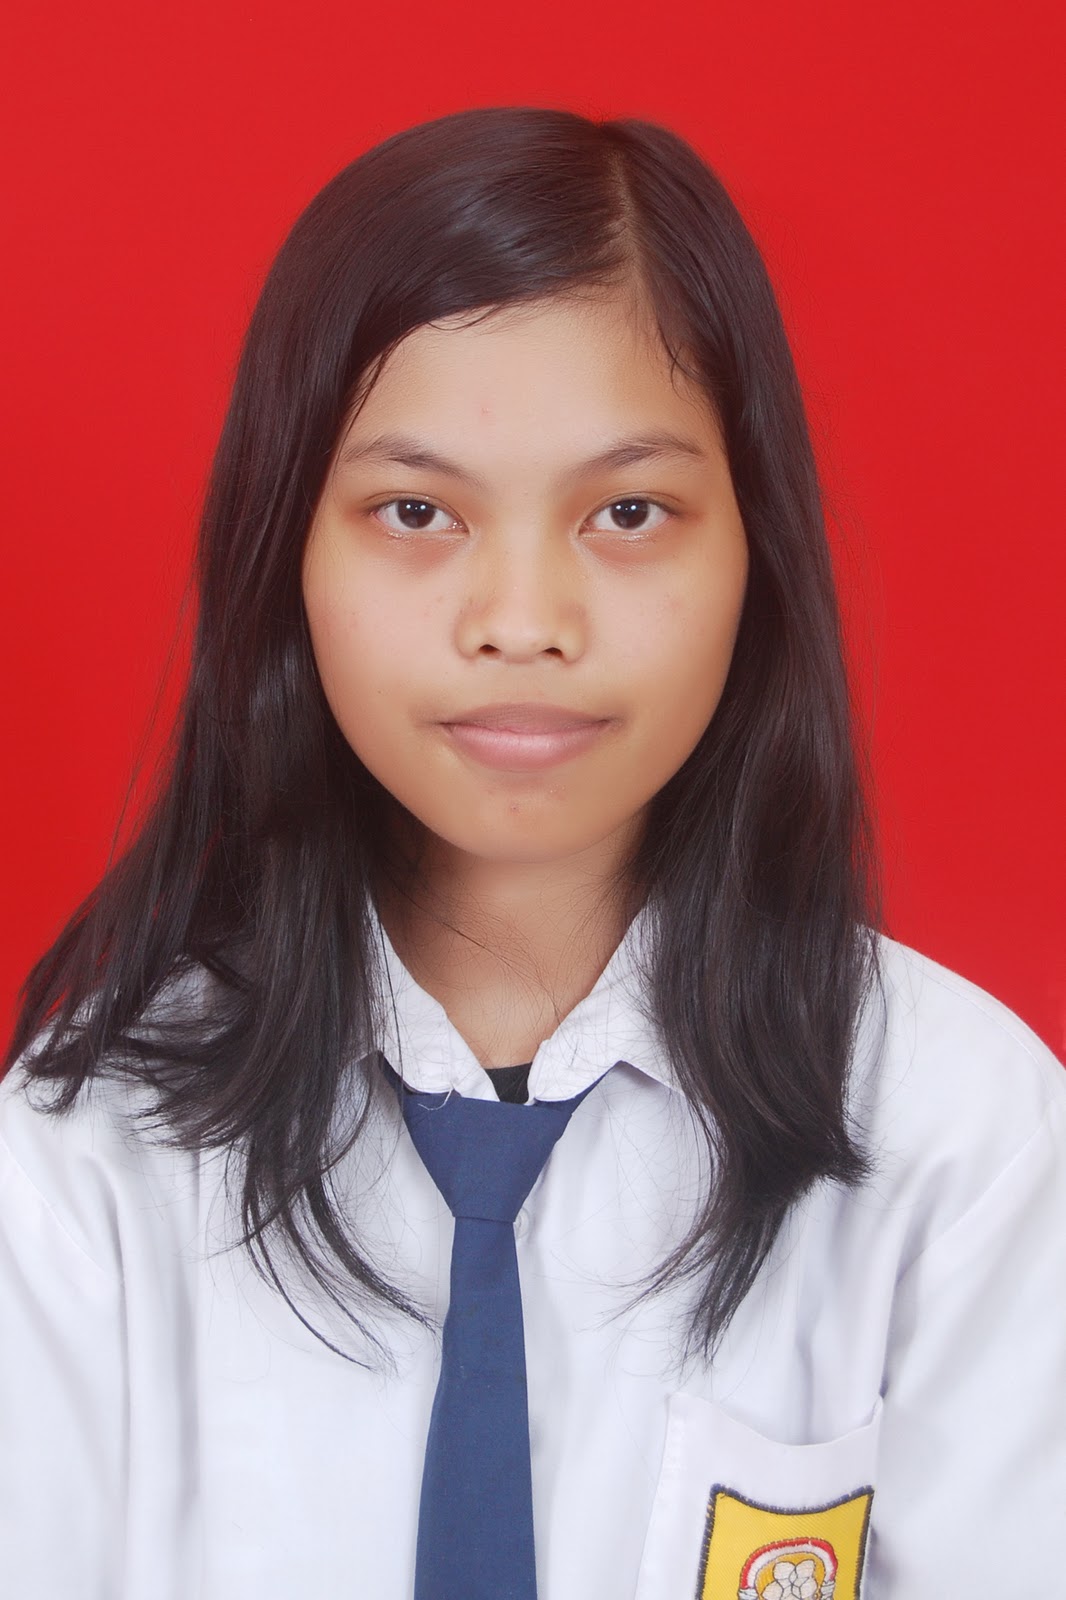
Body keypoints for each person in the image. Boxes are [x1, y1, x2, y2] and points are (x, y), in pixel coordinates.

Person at [1, 106, 1063, 1600]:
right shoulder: (82, 1162)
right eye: (414, 511)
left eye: (628, 511)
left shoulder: (963, 1138)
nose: (520, 620)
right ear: (284, 551)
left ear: (755, 552)